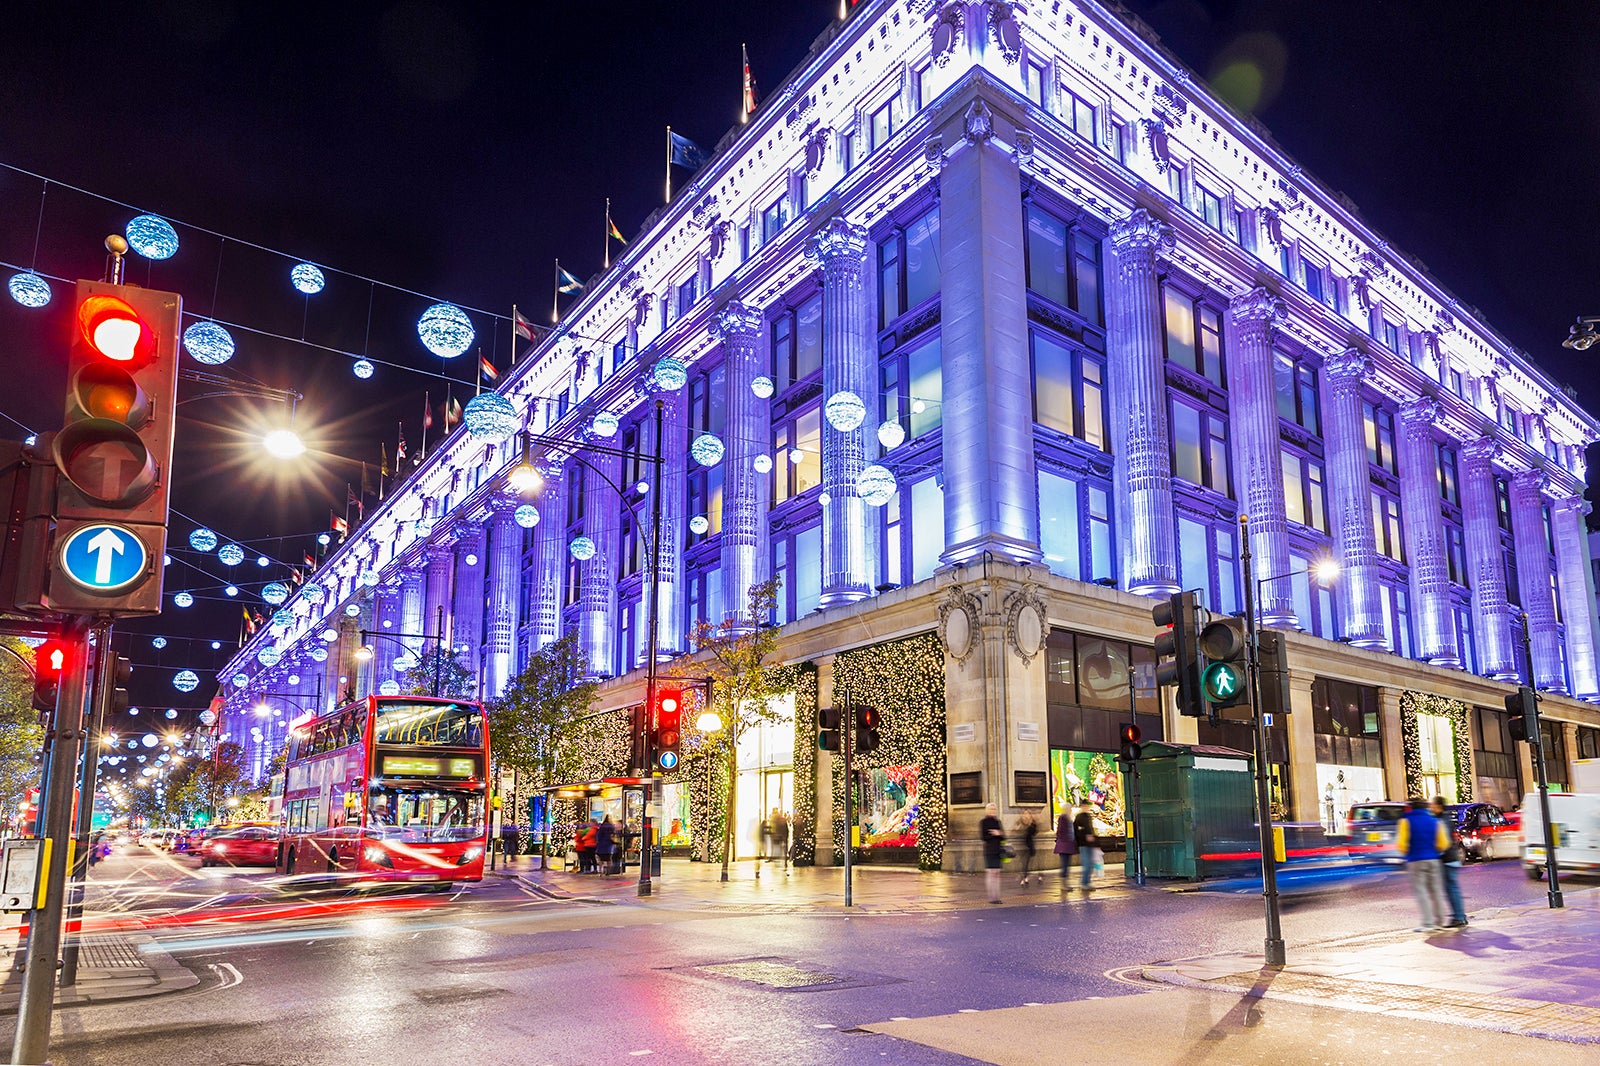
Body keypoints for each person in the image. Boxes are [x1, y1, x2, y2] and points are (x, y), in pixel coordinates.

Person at [1396, 796, 1449, 931]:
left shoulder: (1406, 822)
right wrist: (1434, 851)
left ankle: (1427, 923)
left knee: (1421, 891)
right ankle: (1440, 921)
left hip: (1415, 860)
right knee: (1436, 890)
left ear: (1411, 807)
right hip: (1433, 859)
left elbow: (1402, 844)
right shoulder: (1435, 821)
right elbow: (1443, 843)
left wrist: (1408, 853)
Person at [1431, 797, 1468, 928]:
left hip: (1447, 859)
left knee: (1451, 889)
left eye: (1433, 805)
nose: (1431, 808)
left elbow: (1443, 841)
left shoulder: (1442, 820)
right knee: (1452, 888)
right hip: (1451, 857)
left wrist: (1438, 854)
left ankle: (1458, 917)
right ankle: (1460, 916)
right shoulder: (1445, 818)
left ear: (1439, 806)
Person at [979, 803, 1006, 903]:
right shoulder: (984, 822)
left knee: (997, 874)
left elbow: (1003, 836)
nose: (992, 811)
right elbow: (983, 837)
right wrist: (994, 834)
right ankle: (991, 897)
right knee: (991, 873)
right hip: (989, 851)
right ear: (987, 810)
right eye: (990, 809)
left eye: (994, 809)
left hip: (998, 851)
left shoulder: (997, 822)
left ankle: (997, 896)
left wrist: (999, 834)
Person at [1073, 806, 1098, 888]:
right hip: (1083, 844)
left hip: (1089, 844)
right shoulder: (1079, 817)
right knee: (1087, 864)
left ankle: (1086, 881)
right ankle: (1084, 882)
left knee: (1090, 864)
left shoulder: (1088, 816)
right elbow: (1076, 830)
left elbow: (1090, 829)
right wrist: (1084, 836)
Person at [1016, 808, 1039, 886]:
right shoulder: (1021, 823)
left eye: (1028, 814)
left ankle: (1025, 878)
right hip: (1022, 845)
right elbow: (1018, 831)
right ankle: (1025, 877)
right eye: (1025, 813)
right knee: (1024, 863)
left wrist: (1031, 824)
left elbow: (1034, 832)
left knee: (1027, 863)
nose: (1026, 815)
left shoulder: (1032, 824)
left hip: (1029, 846)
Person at [1054, 807, 1078, 880]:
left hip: (1068, 844)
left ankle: (1065, 881)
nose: (1070, 810)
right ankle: (1064, 882)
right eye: (1069, 809)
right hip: (1064, 845)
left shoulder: (1068, 818)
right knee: (1065, 864)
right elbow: (1060, 831)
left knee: (1066, 864)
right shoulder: (1063, 818)